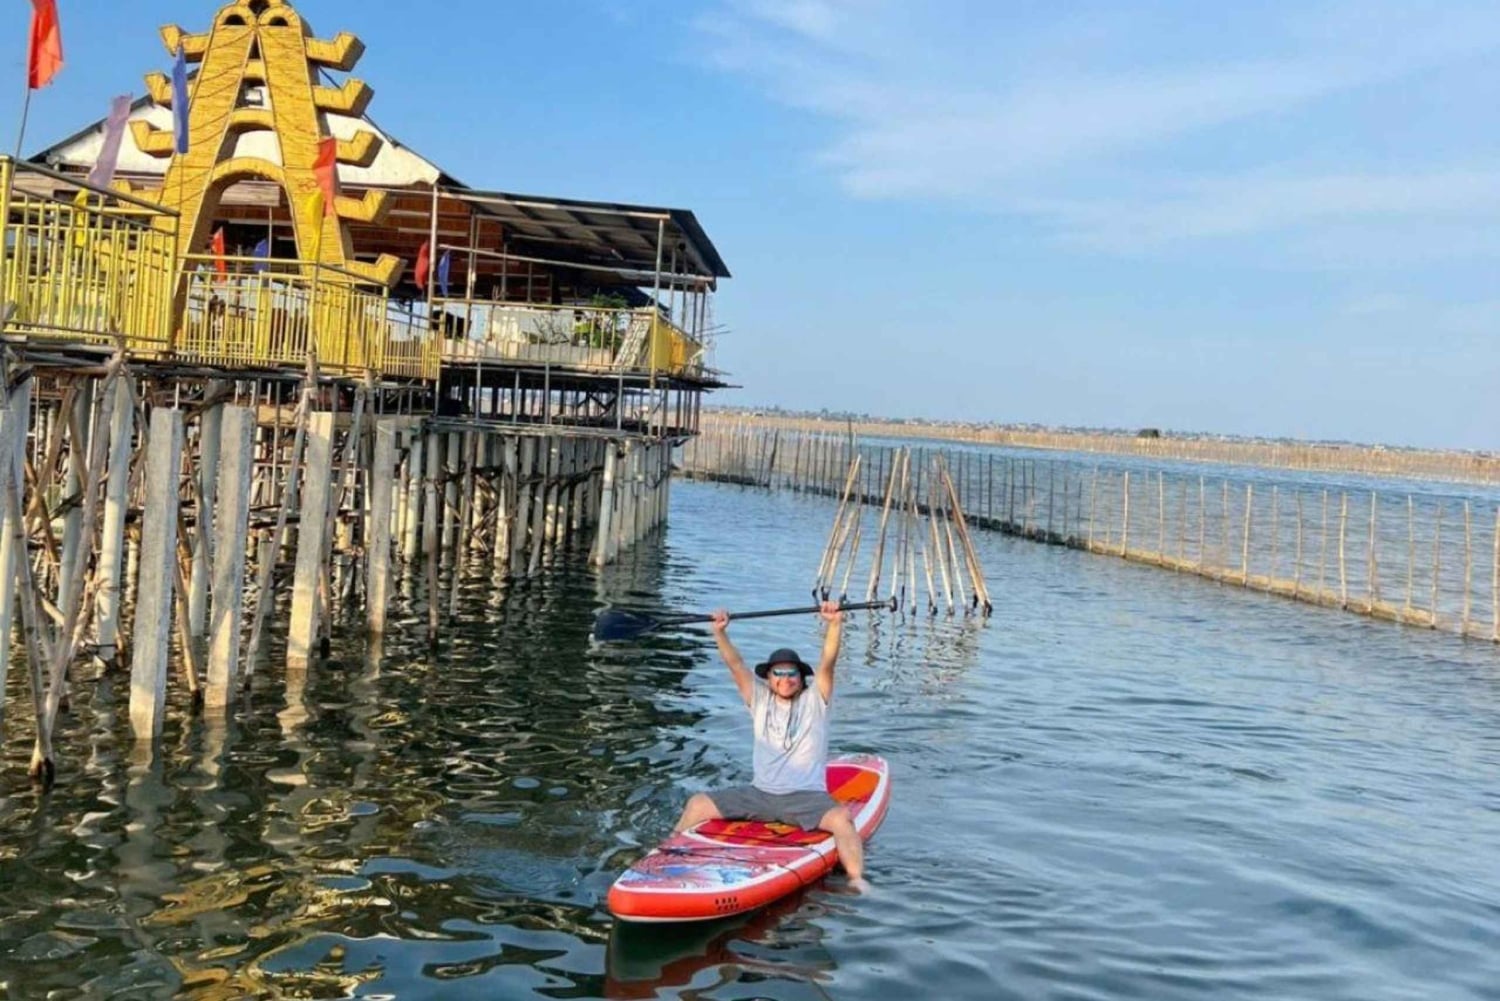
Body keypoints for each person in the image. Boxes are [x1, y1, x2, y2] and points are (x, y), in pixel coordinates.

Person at [672, 600, 870, 891]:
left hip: (806, 799)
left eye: (792, 673)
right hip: (759, 794)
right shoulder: (759, 699)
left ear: (802, 679)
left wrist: (834, 624)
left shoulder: (816, 700)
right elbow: (735, 664)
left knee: (841, 819)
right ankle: (665, 856)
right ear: (768, 678)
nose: (785, 679)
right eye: (778, 673)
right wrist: (720, 633)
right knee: (698, 803)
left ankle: (857, 879)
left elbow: (828, 661)